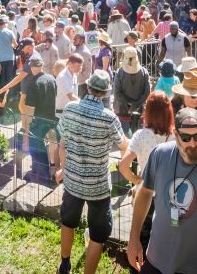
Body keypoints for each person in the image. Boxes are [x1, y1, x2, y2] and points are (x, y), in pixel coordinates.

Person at [127, 108, 197, 274]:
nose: (193, 144)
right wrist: (134, 237)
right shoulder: (159, 155)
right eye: (186, 138)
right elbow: (144, 193)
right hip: (154, 261)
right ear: (175, 134)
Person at [55, 69, 127, 274]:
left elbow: (63, 142)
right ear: (105, 93)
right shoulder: (109, 118)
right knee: (97, 236)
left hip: (72, 180)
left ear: (87, 87)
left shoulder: (69, 109)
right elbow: (123, 146)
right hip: (98, 187)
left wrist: (62, 168)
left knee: (68, 222)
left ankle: (65, 263)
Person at [118, 92, 174, 186]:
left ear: (148, 111)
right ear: (169, 112)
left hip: (145, 192)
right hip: (168, 192)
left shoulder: (141, 136)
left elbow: (123, 166)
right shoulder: (177, 137)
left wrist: (135, 179)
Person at [21, 54, 58, 180]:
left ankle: (41, 175)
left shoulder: (34, 83)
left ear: (31, 67)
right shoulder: (52, 78)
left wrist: (26, 131)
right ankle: (45, 171)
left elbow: (30, 110)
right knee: (51, 145)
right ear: (42, 65)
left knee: (35, 147)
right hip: (52, 119)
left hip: (39, 120)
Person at [114, 45, 151, 131]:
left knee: (123, 136)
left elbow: (117, 93)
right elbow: (147, 93)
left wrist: (129, 106)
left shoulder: (119, 72)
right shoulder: (144, 72)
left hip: (122, 109)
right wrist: (135, 105)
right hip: (138, 109)